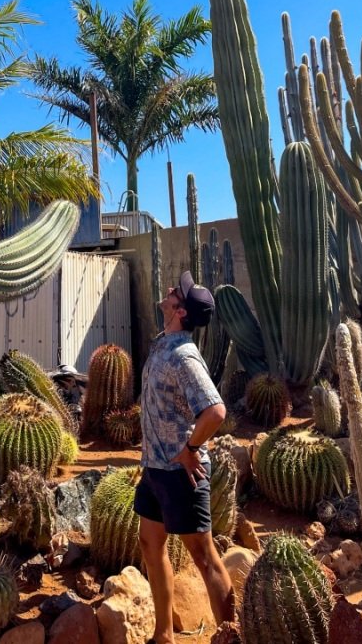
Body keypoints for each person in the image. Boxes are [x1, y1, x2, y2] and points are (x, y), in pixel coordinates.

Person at [134, 270, 235, 642]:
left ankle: (229, 635)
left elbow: (216, 411)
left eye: (178, 291)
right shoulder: (165, 343)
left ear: (181, 311)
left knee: (204, 558)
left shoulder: (183, 356)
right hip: (156, 470)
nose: (172, 288)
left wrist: (190, 449)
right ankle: (163, 635)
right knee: (150, 544)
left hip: (182, 474)